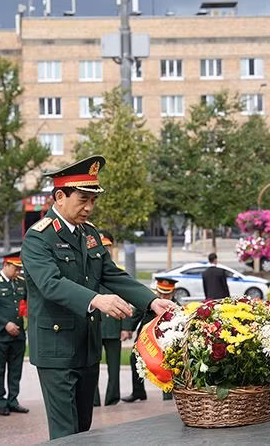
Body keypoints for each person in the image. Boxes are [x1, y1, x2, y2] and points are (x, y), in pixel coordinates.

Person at [21, 155, 175, 440]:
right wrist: (96, 300)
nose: (89, 208)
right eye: (83, 200)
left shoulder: (88, 234)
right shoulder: (38, 238)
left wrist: (151, 300)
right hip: (56, 349)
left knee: (83, 429)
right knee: (66, 432)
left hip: (87, 346)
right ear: (59, 196)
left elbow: (111, 274)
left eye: (93, 200)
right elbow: (50, 284)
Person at [0, 251, 28, 416]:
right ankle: (1, 401)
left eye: (19, 269)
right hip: (0, 336)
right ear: (6, 265)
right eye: (15, 268)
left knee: (16, 369)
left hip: (18, 334)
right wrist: (5, 324)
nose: (18, 272)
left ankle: (13, 400)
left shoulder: (21, 283)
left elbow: (25, 304)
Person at [122, 278, 178, 403]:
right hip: (145, 341)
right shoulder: (149, 302)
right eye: (160, 293)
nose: (163, 296)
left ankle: (167, 395)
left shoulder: (176, 307)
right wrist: (127, 329)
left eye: (167, 294)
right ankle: (138, 392)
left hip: (164, 345)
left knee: (167, 365)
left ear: (173, 293)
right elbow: (135, 316)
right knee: (134, 359)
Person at [93, 231, 129, 407]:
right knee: (92, 366)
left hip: (115, 324)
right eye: (102, 246)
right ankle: (93, 400)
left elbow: (129, 299)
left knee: (114, 367)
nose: (104, 250)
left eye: (107, 247)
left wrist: (126, 327)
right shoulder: (89, 270)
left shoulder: (117, 271)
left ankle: (112, 398)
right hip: (95, 325)